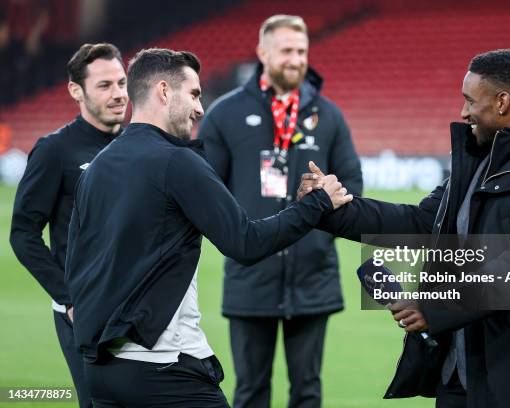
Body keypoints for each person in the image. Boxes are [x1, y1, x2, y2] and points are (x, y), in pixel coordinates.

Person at [300, 49, 510, 408]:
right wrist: (329, 209)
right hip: (458, 372)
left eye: (470, 100)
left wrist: (437, 306)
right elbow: (419, 223)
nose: (463, 112)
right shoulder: (479, 162)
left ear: (502, 102)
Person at [64, 47, 352, 408]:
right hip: (164, 368)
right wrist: (317, 203)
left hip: (102, 373)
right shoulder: (178, 161)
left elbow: (75, 262)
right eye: (195, 94)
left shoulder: (99, 166)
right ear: (164, 91)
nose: (201, 108)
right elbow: (246, 242)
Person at [198, 14, 363, 408]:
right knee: (251, 392)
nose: (296, 59)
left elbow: (352, 187)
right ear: (262, 53)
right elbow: (206, 191)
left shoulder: (329, 116)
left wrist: (325, 197)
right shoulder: (225, 114)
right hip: (250, 276)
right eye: (287, 50)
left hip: (313, 278)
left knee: (307, 392)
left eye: (302, 51)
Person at [10, 42, 128, 408]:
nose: (119, 94)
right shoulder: (54, 150)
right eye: (105, 86)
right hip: (85, 310)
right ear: (76, 91)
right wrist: (69, 297)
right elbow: (23, 234)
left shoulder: (138, 144)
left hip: (140, 307)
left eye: (122, 83)